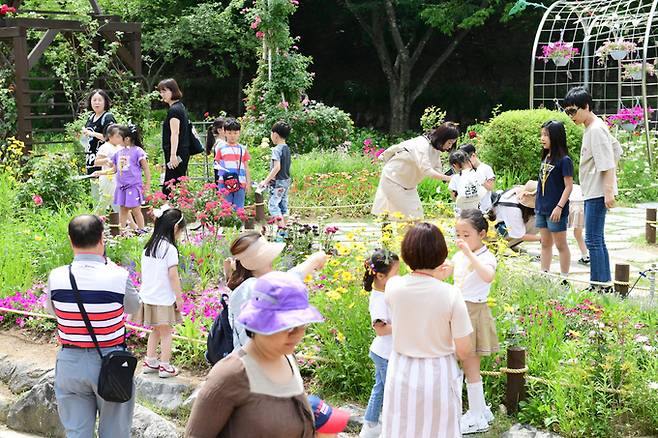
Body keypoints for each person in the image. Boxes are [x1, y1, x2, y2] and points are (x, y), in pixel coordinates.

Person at [185, 271, 323, 437]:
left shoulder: (287, 358)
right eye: (287, 326)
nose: (297, 334)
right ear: (259, 323)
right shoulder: (231, 374)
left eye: (302, 325)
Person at [45, 214, 140, 437]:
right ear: (101, 238)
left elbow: (53, 311)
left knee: (77, 432)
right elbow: (134, 307)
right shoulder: (118, 275)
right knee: (115, 431)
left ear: (71, 240)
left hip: (70, 362)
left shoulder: (56, 276)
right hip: (111, 361)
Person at [381, 222, 473, 438]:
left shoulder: (393, 287)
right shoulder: (451, 294)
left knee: (400, 430)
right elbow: (464, 350)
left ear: (406, 254)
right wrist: (439, 279)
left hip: (402, 369)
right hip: (438, 372)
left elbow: (417, 290)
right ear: (442, 253)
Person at [224, 231, 327, 350]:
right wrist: (313, 261)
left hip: (260, 354)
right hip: (252, 360)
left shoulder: (247, 285)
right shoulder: (250, 287)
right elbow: (285, 282)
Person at [563, 87, 622, 292]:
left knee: (593, 239)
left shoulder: (596, 129)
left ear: (586, 107)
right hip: (593, 191)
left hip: (597, 192)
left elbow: (607, 163)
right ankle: (602, 283)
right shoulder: (593, 126)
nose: (571, 116)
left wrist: (608, 190)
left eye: (573, 111)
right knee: (596, 238)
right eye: (567, 112)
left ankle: (600, 285)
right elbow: (617, 148)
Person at [451, 209, 498, 434]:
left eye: (466, 234)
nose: (461, 239)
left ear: (482, 234)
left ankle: (477, 414)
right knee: (463, 363)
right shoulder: (458, 255)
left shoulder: (487, 257)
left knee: (471, 365)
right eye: (458, 234)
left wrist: (469, 254)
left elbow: (488, 276)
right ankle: (478, 410)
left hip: (474, 312)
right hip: (458, 311)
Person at [132, 207, 186, 378]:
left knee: (155, 330)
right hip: (163, 298)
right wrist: (179, 298)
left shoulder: (149, 247)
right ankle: (165, 366)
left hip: (148, 296)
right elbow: (173, 276)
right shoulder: (169, 249)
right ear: (175, 229)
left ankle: (150, 361)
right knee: (166, 332)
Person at [372, 122, 459, 220]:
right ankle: (388, 233)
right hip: (393, 180)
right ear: (443, 138)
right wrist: (449, 178)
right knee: (399, 218)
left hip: (409, 186)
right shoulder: (422, 145)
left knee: (417, 217)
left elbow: (437, 170)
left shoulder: (435, 149)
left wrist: (456, 179)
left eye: (452, 143)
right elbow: (428, 171)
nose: (450, 146)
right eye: (449, 143)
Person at [359, 249, 399, 438]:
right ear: (381, 276)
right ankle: (373, 426)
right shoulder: (379, 300)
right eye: (396, 274)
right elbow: (381, 329)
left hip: (384, 352)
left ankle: (371, 424)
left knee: (381, 387)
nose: (399, 277)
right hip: (384, 353)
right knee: (388, 389)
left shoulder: (384, 292)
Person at [536, 120, 574, 277]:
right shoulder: (546, 157)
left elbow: (568, 186)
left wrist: (559, 207)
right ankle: (544, 274)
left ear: (556, 136)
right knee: (545, 243)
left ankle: (564, 277)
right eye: (542, 134)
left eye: (546, 135)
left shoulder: (565, 160)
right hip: (541, 208)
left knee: (560, 244)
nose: (542, 138)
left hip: (555, 209)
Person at [110, 125, 151, 232]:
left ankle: (141, 231)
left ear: (127, 139)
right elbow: (114, 170)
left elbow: (146, 168)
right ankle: (122, 232)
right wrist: (100, 172)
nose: (117, 139)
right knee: (123, 210)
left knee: (136, 210)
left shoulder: (138, 151)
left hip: (133, 186)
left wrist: (147, 184)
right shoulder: (118, 153)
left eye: (119, 137)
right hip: (121, 187)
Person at [81, 89, 117, 203]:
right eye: (94, 100)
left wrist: (92, 134)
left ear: (105, 102)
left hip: (104, 160)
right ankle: (100, 218)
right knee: (95, 191)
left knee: (107, 191)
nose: (96, 103)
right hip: (91, 158)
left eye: (99, 100)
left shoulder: (107, 117)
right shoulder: (91, 117)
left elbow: (111, 137)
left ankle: (113, 216)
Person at [158, 78, 190, 194]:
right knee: (176, 184)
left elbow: (175, 133)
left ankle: (172, 210)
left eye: (165, 91)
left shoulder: (174, 110)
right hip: (181, 152)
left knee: (171, 186)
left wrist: (173, 155)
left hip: (176, 153)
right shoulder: (179, 107)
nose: (162, 94)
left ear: (173, 91)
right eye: (161, 92)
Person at [487, 181, 541, 249]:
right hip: (494, 231)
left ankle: (510, 243)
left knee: (539, 219)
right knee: (537, 222)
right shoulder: (512, 207)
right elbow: (519, 235)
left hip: (504, 224)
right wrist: (541, 238)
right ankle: (501, 246)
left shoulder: (518, 194)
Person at [260, 121, 293, 228]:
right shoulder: (286, 148)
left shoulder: (276, 149)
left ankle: (282, 229)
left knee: (273, 206)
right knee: (283, 206)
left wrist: (265, 181)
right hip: (286, 181)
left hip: (278, 182)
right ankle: (286, 230)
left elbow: (277, 167)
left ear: (275, 135)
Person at [215, 118, 252, 209]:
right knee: (226, 208)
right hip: (224, 182)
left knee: (239, 208)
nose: (232, 136)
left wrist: (248, 183)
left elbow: (246, 167)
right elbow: (218, 166)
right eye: (230, 133)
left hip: (240, 182)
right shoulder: (221, 149)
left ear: (239, 133)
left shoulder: (242, 149)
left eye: (235, 133)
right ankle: (227, 223)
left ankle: (239, 223)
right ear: (225, 132)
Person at [92, 124, 123, 214]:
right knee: (105, 201)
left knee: (117, 201)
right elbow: (96, 162)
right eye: (117, 136)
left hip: (117, 177)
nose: (119, 138)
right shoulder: (105, 147)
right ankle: (95, 219)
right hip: (107, 178)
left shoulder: (119, 147)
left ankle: (123, 222)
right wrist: (106, 160)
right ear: (110, 136)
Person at [449, 149, 486, 215]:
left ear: (455, 165)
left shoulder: (455, 178)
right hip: (477, 211)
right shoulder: (477, 173)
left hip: (463, 214)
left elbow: (454, 198)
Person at [460, 143, 496, 212]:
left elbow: (491, 187)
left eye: (466, 161)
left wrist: (479, 179)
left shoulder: (486, 168)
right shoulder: (465, 171)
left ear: (473, 156)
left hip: (485, 208)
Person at [569, 184, 590, 265]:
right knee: (578, 233)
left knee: (556, 231)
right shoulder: (577, 186)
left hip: (571, 203)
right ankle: (585, 255)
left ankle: (544, 253)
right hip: (582, 204)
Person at [205, 116, 227, 185]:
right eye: (226, 128)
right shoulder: (221, 144)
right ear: (219, 130)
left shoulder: (219, 142)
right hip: (223, 176)